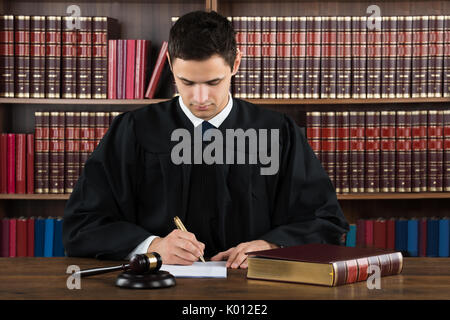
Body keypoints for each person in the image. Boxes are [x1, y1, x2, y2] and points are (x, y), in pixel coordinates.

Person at [62, 10, 349, 269]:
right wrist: (153, 246)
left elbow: (326, 222)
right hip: (157, 287)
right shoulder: (134, 129)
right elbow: (82, 224)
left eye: (213, 82)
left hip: (255, 288)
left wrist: (272, 245)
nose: (200, 99)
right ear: (171, 65)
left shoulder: (277, 131)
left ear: (235, 63)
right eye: (186, 82)